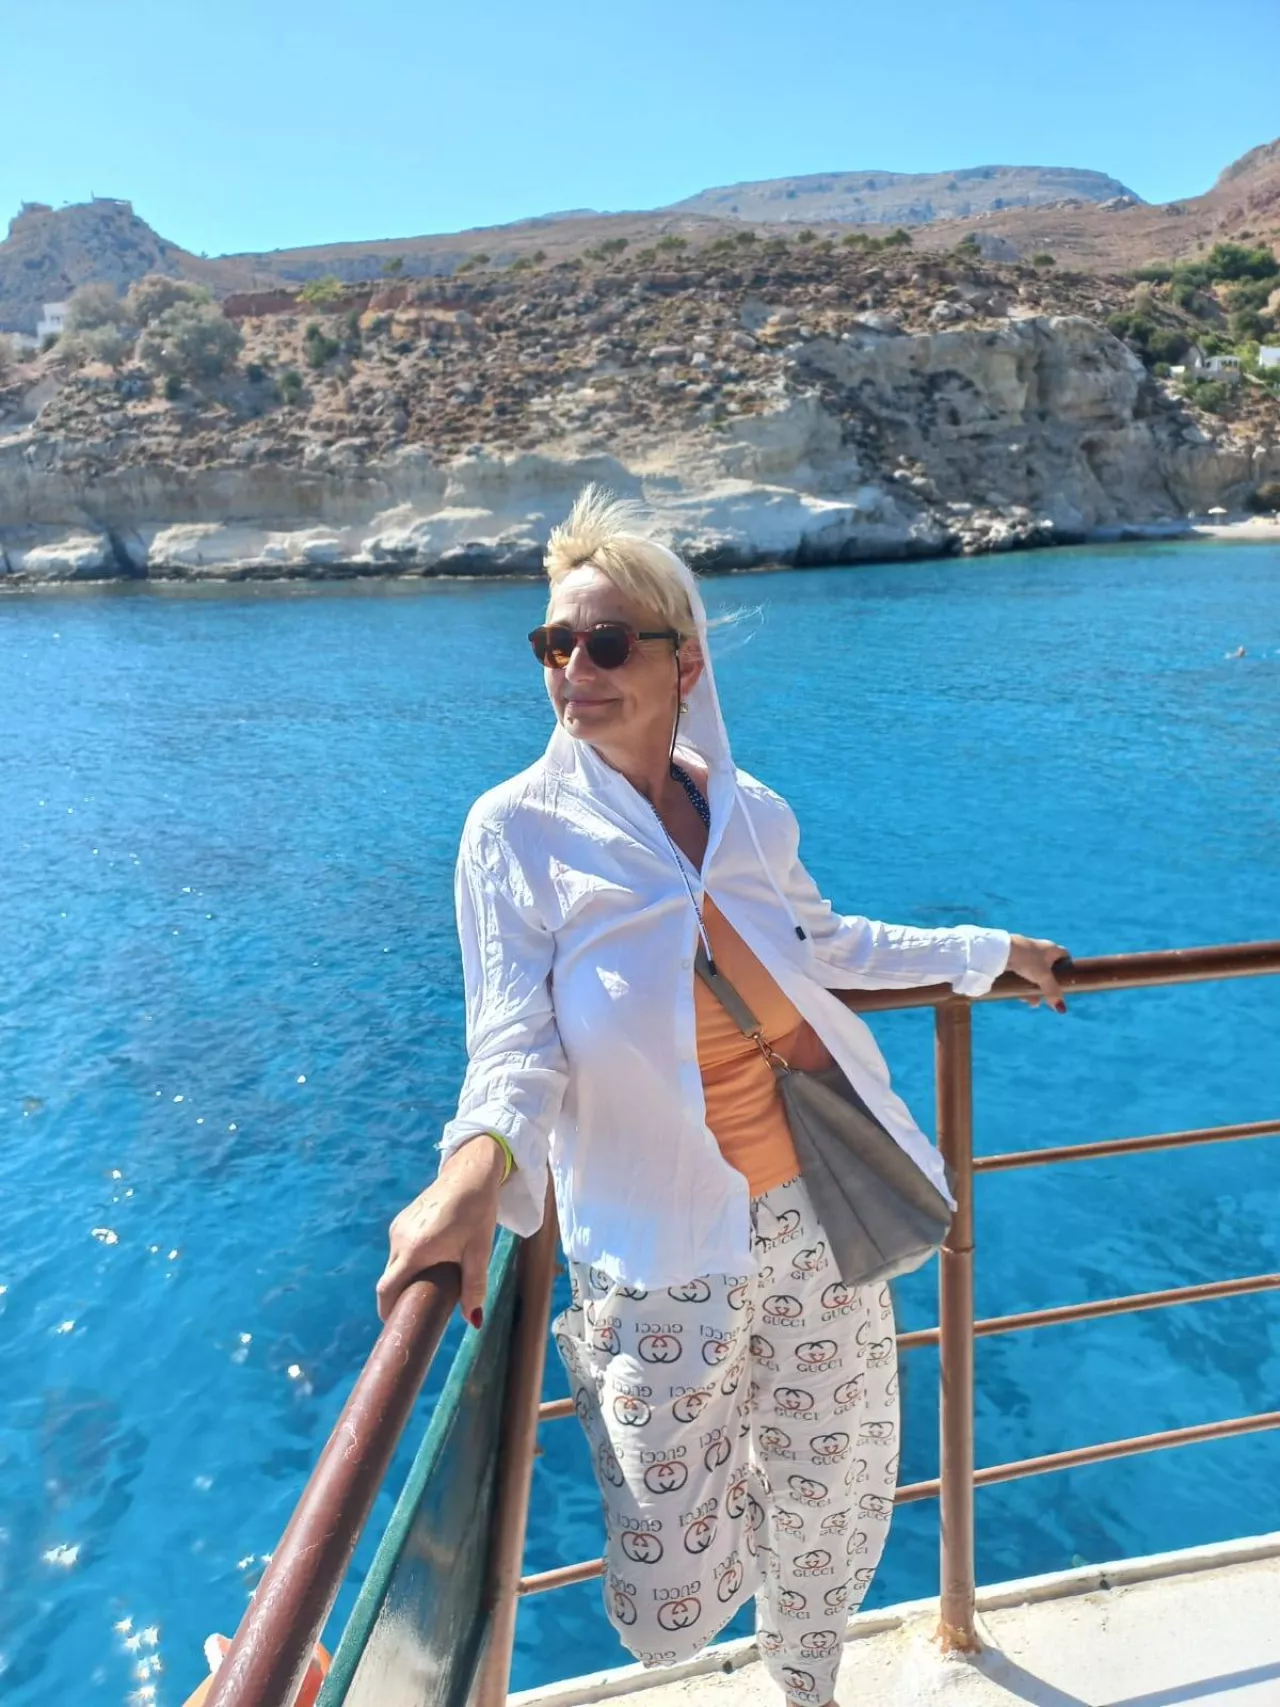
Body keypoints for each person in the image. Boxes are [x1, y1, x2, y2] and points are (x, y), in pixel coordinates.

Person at [377, 486, 1069, 1707]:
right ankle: (739, 1559)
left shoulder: (747, 812)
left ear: (681, 663)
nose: (573, 670)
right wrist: (473, 1170)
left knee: (830, 1502)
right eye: (553, 644)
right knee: (668, 1597)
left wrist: (983, 951)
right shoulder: (514, 832)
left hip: (814, 1214)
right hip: (657, 1249)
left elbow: (824, 943)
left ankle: (807, 1688)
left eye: (605, 643)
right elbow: (513, 1045)